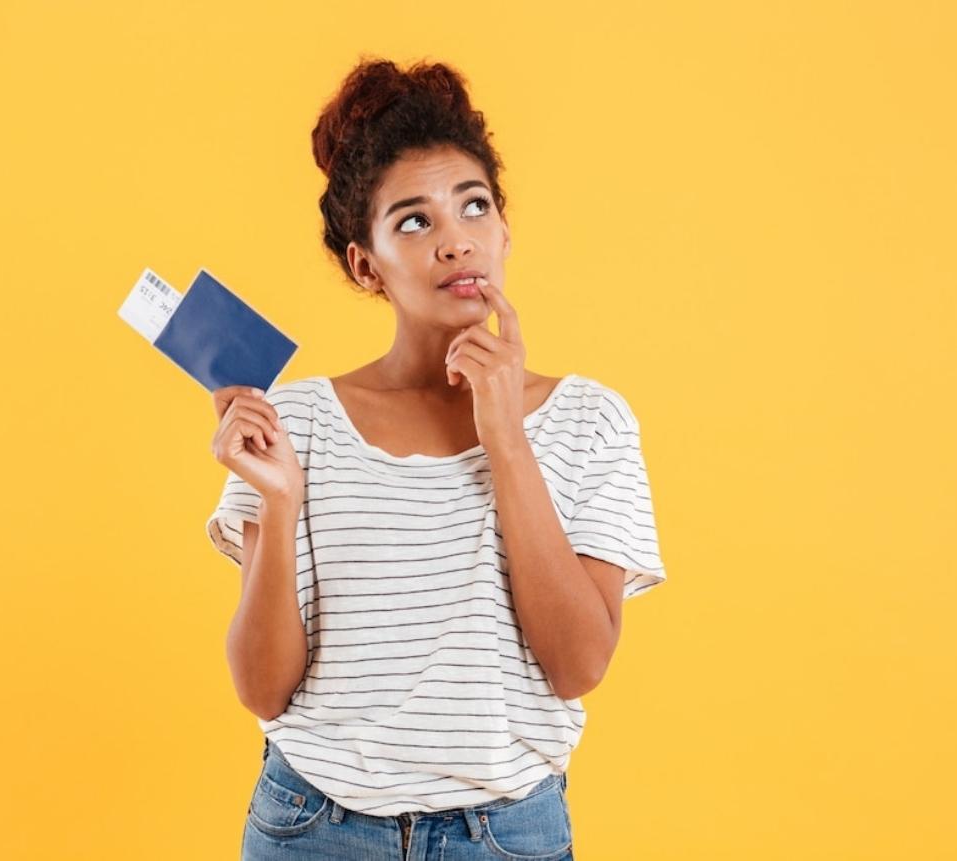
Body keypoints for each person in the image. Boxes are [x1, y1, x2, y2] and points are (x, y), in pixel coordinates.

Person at [205, 57, 667, 860]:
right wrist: (279, 505)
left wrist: (507, 438)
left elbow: (578, 663)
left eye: (473, 207)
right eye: (413, 222)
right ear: (364, 263)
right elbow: (263, 688)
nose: (455, 241)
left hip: (505, 835)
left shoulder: (591, 420)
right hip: (314, 828)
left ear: (505, 231)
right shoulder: (300, 419)